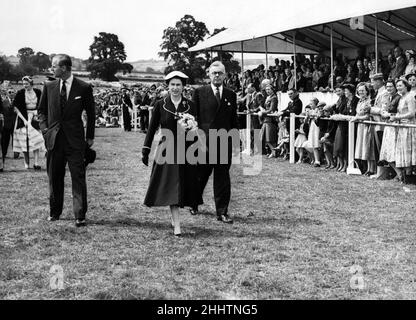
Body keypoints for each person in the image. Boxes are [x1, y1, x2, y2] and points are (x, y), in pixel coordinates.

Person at [38, 54, 95, 227]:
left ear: (63, 68)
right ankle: (55, 212)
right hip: (54, 141)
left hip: (75, 141)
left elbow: (91, 114)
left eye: (54, 66)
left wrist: (90, 137)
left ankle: (79, 215)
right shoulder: (49, 86)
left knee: (78, 177)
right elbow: (41, 112)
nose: (51, 69)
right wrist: (45, 131)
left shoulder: (83, 87)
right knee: (54, 177)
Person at [141, 71, 199, 237]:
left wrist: (191, 130)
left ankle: (175, 218)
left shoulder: (190, 105)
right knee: (172, 184)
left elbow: (195, 130)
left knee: (181, 185)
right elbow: (152, 128)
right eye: (172, 85)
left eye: (178, 85)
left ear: (183, 86)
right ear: (168, 86)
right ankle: (177, 225)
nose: (175, 88)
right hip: (167, 149)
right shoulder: (161, 104)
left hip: (186, 149)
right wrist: (146, 150)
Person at [190, 61, 239, 223]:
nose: (217, 75)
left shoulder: (231, 94)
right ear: (209, 75)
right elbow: (192, 120)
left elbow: (234, 121)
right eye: (214, 73)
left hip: (224, 143)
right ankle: (193, 202)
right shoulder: (199, 93)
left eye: (220, 73)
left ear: (225, 75)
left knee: (223, 178)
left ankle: (222, 211)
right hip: (204, 143)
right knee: (200, 176)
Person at [12, 76, 43, 170]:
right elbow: (16, 108)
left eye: (26, 84)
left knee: (36, 139)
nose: (25, 85)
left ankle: (36, 163)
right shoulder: (21, 93)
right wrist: (25, 120)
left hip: (35, 117)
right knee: (24, 141)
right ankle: (26, 163)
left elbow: (41, 105)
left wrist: (38, 115)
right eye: (23, 84)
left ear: (31, 83)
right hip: (23, 117)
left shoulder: (38, 92)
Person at [389, 79, 416, 184]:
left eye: (400, 86)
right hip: (402, 126)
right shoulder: (401, 98)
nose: (399, 88)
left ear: (406, 86)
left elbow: (412, 113)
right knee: (403, 150)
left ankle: (409, 176)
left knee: (409, 151)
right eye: (398, 86)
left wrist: (397, 117)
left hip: (409, 126)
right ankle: (405, 176)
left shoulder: (410, 97)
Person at [351, 83, 376, 176]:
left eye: (363, 90)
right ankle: (367, 168)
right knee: (363, 146)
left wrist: (358, 118)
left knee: (368, 146)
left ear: (367, 91)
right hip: (361, 126)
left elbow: (368, 115)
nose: (361, 92)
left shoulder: (369, 101)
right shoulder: (360, 101)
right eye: (359, 90)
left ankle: (371, 168)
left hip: (367, 125)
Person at [378, 79, 401, 179]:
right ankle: (398, 174)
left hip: (394, 126)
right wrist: (384, 113)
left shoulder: (398, 98)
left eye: (391, 86)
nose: (389, 89)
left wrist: (389, 115)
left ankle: (400, 174)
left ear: (395, 87)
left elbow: (399, 113)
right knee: (386, 153)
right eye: (387, 87)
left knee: (392, 152)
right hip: (388, 125)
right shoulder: (389, 98)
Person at [333, 84, 358, 172]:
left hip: (351, 126)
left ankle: (347, 164)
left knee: (347, 146)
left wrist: (342, 116)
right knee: (341, 146)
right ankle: (342, 164)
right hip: (344, 126)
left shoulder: (355, 100)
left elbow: (353, 114)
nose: (345, 92)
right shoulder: (346, 101)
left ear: (351, 91)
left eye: (346, 91)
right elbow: (342, 111)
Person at [369, 73, 390, 179]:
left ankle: (383, 174)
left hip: (382, 124)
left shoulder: (385, 93)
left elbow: (383, 110)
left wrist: (371, 109)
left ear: (378, 81)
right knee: (377, 149)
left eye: (373, 81)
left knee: (381, 149)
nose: (372, 84)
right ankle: (379, 173)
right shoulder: (378, 93)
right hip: (377, 123)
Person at [259, 84, 278, 158]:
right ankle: (273, 151)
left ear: (272, 89)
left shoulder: (274, 98)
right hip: (266, 118)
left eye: (269, 89)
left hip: (270, 119)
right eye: (266, 89)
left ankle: (274, 151)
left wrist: (263, 112)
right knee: (265, 137)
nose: (267, 91)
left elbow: (271, 109)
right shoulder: (267, 97)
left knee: (269, 137)